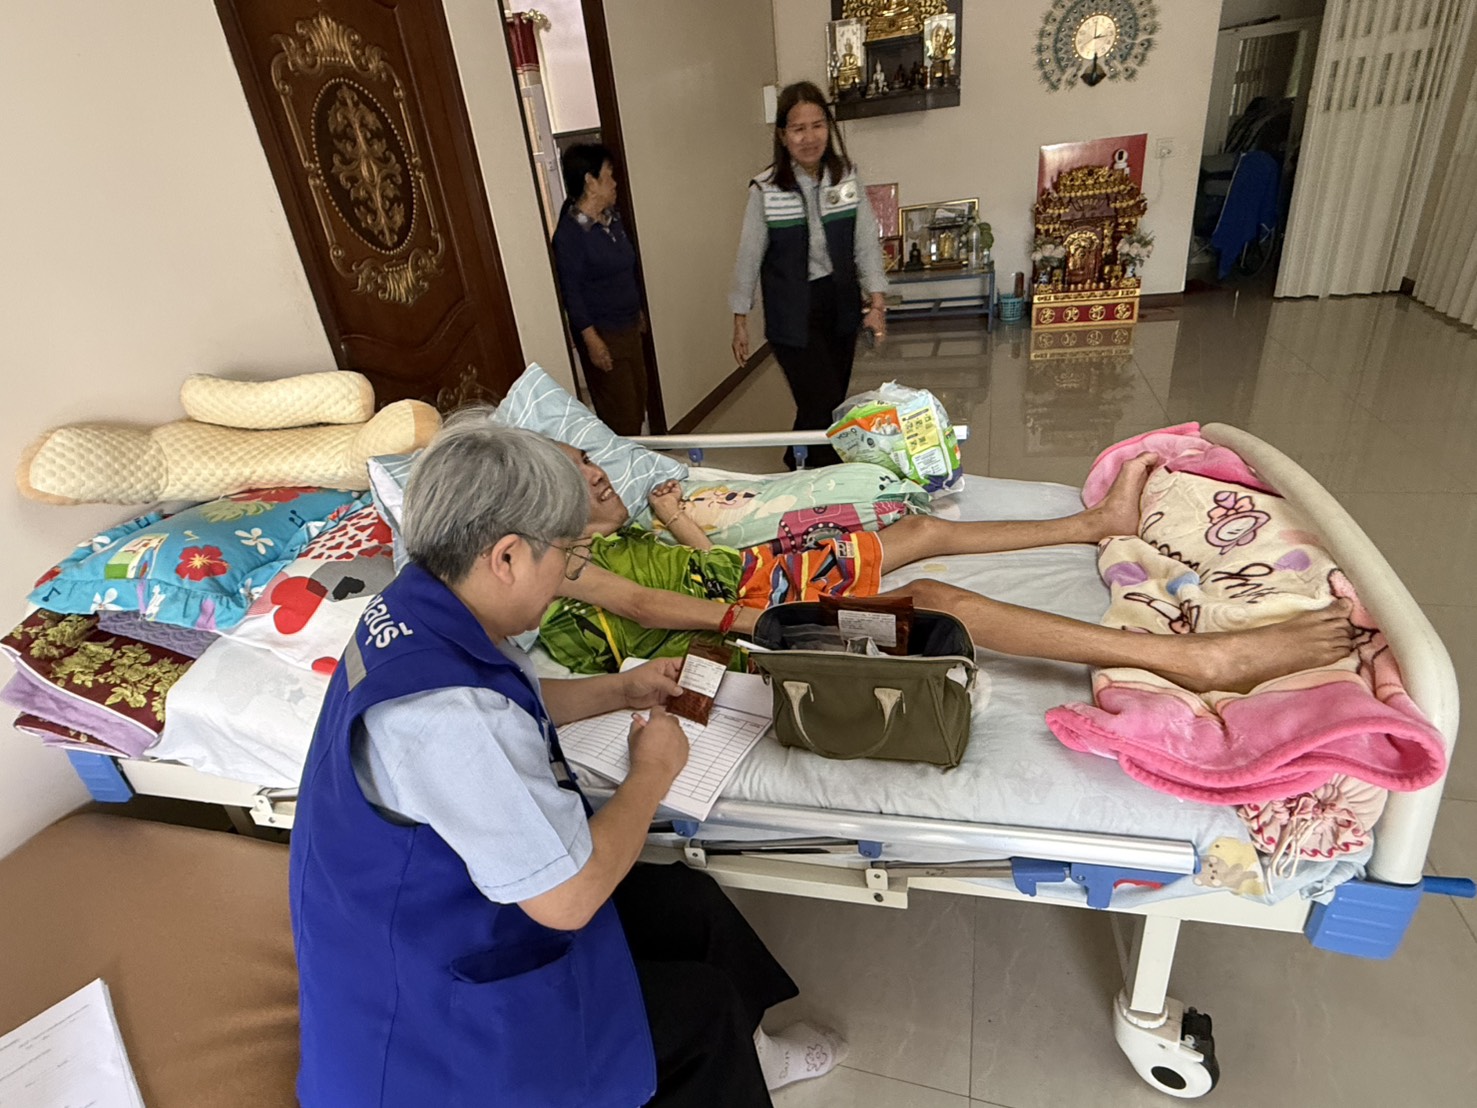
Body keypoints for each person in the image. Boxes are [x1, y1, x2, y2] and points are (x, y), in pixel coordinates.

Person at [290, 414, 845, 1107]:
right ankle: (723, 1053)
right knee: (700, 1013)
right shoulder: (442, 716)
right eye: (566, 554)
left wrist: (620, 689)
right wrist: (652, 774)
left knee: (687, 903)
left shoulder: (418, 606)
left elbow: (503, 698)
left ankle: (753, 1050)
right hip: (428, 1024)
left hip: (444, 912)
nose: (568, 575)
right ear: (506, 557)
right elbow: (569, 899)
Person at [540, 443, 1356, 692]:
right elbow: (647, 609)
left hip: (758, 580)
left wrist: (675, 518)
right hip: (749, 624)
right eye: (578, 475)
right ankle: (1195, 659)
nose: (600, 474)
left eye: (593, 459)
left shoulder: (619, 534)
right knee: (931, 600)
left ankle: (1091, 522)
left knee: (920, 530)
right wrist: (766, 621)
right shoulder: (567, 567)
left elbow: (698, 569)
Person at [730, 81, 889, 468]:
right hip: (791, 315)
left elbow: (865, 241)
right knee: (822, 401)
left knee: (827, 403)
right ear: (782, 135)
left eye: (817, 126)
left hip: (840, 306)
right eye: (798, 129)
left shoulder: (845, 177)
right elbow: (749, 254)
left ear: (828, 128)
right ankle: (821, 472)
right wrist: (740, 318)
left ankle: (797, 459)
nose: (809, 137)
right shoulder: (766, 189)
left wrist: (877, 303)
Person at [553, 143, 649, 436]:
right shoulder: (570, 235)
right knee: (621, 415)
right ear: (590, 182)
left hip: (629, 326)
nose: (615, 182)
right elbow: (571, 293)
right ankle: (619, 463)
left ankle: (634, 456)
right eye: (609, 175)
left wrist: (637, 310)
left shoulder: (612, 219)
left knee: (638, 402)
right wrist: (591, 340)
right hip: (604, 334)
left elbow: (625, 269)